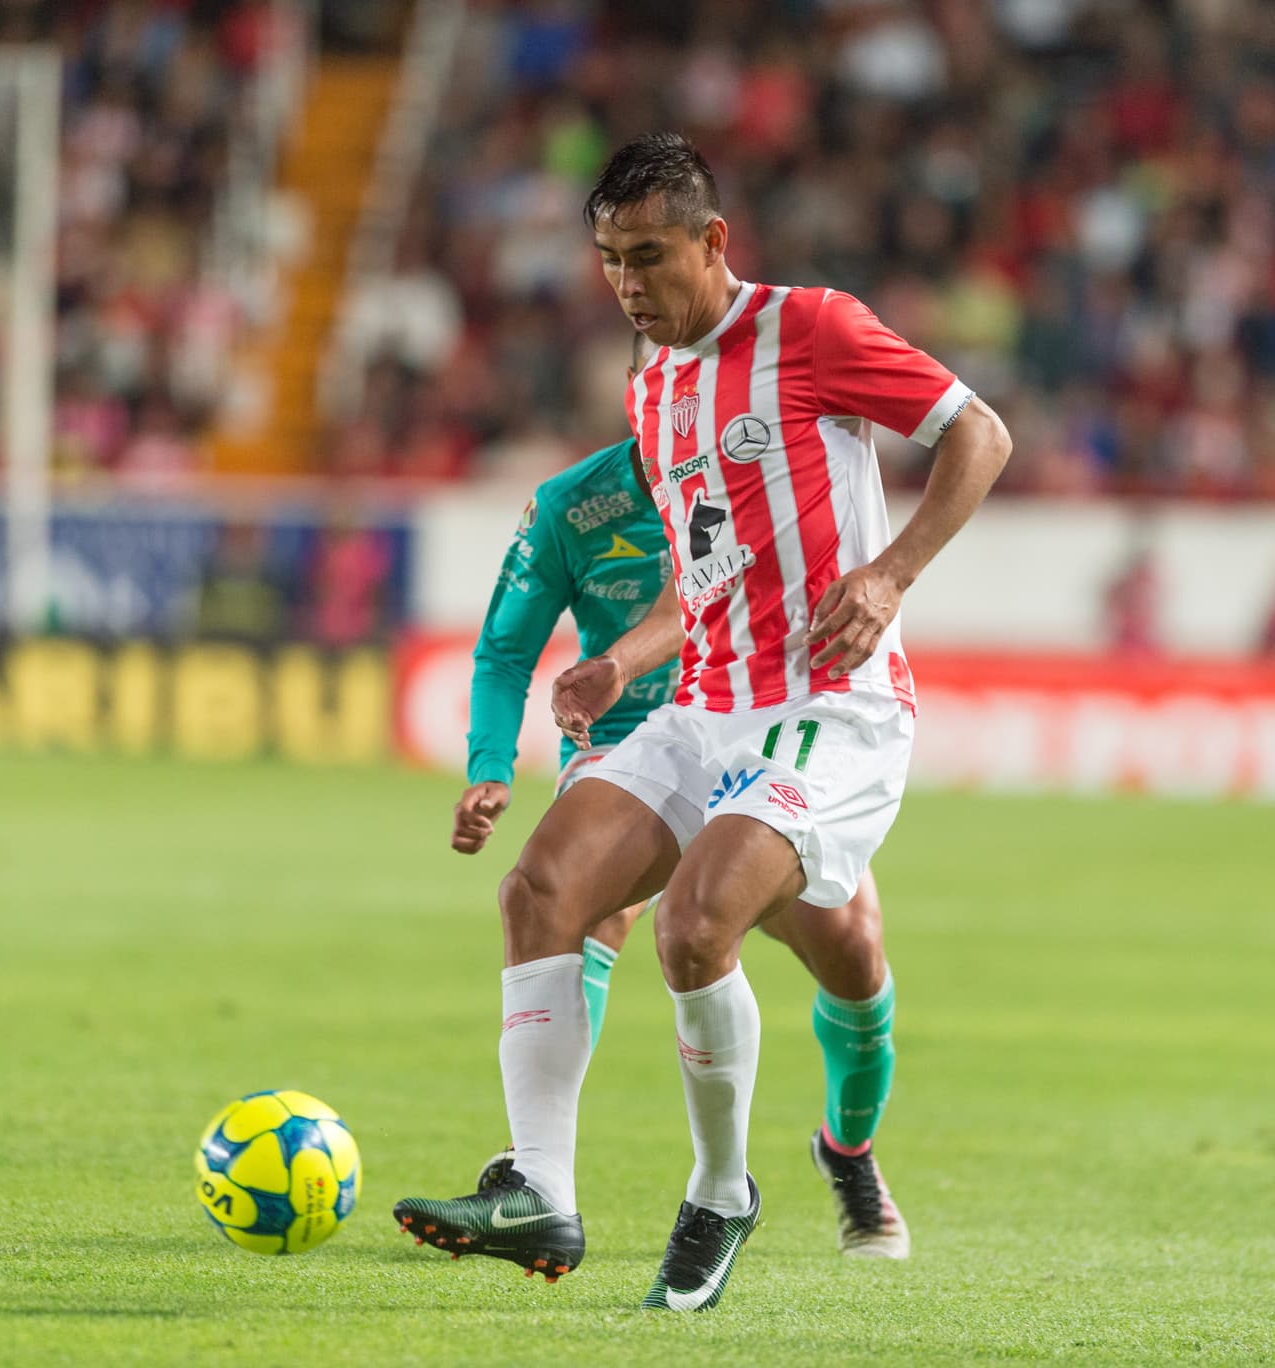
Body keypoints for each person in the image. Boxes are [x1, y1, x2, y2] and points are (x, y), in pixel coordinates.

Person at [395, 132, 1012, 1312]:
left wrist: (887, 575)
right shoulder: (653, 383)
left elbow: (979, 434)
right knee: (541, 889)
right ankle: (538, 1189)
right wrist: (615, 662)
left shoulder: (814, 328)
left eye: (649, 257)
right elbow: (708, 571)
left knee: (692, 925)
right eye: (608, 263)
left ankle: (721, 1192)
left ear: (712, 241)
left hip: (830, 709)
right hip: (703, 707)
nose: (628, 286)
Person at [450, 334, 907, 1260]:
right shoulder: (575, 505)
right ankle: (541, 1167)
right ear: (636, 385)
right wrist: (490, 763)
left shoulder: (757, 467)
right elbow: (503, 650)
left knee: (853, 953)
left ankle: (847, 1151)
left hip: (768, 736)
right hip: (633, 746)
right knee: (578, 908)